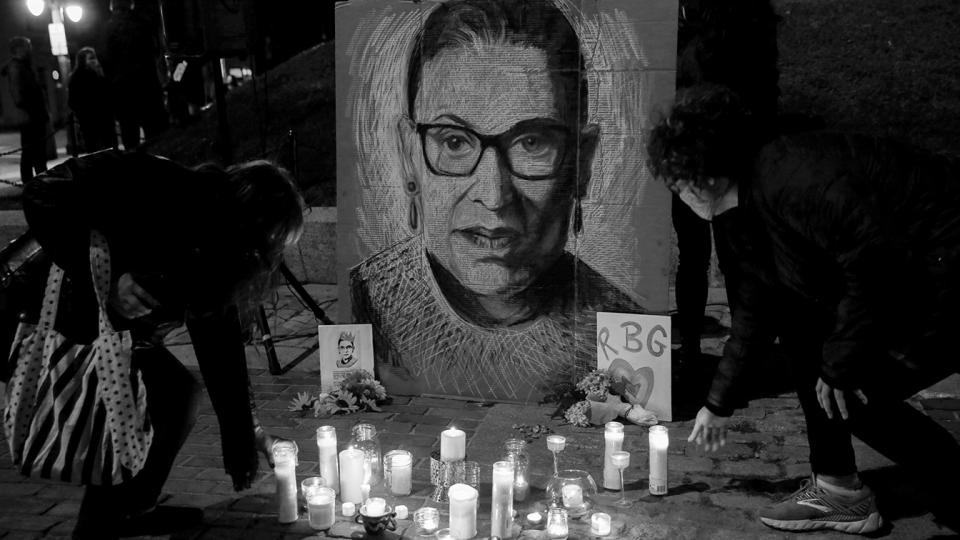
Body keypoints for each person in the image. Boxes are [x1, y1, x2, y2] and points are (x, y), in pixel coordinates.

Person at [647, 84, 960, 534]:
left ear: (706, 176)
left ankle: (952, 481)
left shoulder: (792, 181)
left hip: (941, 272)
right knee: (802, 332)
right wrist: (718, 403)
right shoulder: (744, 208)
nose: (679, 196)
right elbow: (758, 306)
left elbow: (874, 261)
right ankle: (839, 489)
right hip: (908, 273)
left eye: (678, 184)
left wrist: (840, 365)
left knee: (856, 395)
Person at [350, 0, 645, 403]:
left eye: (532, 142)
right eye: (454, 142)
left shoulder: (623, 327)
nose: (493, 195)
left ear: (582, 162)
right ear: (408, 157)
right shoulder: (366, 305)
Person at [21, 149, 305, 539]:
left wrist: (249, 433)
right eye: (271, 244)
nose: (269, 258)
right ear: (247, 223)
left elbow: (220, 349)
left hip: (116, 334)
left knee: (177, 397)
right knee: (133, 407)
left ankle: (135, 508)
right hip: (55, 311)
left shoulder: (215, 253)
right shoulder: (157, 184)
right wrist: (111, 276)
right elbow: (41, 193)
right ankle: (96, 529)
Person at [671, 0, 780, 362]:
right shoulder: (681, 25)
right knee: (703, 254)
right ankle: (697, 343)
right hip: (697, 151)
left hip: (724, 149)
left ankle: (742, 345)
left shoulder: (736, 24)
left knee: (731, 255)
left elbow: (762, 85)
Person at [101, 0, 168, 149]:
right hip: (147, 86)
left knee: (130, 137)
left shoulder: (107, 29)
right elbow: (155, 51)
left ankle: (135, 169)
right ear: (130, 4)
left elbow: (106, 60)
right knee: (154, 136)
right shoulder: (143, 24)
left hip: (123, 91)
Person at [2, 37, 49, 181]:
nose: (31, 49)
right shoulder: (17, 67)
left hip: (32, 116)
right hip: (30, 117)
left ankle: (37, 182)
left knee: (33, 153)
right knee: (32, 153)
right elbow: (18, 95)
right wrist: (31, 111)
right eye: (28, 46)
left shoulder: (23, 66)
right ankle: (34, 183)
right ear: (19, 49)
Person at [69, 47, 117, 152]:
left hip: (106, 120)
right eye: (91, 58)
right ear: (83, 61)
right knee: (95, 151)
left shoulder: (99, 73)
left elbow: (109, 93)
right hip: (91, 123)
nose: (94, 61)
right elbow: (73, 101)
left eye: (95, 58)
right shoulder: (77, 77)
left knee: (110, 149)